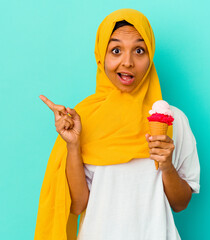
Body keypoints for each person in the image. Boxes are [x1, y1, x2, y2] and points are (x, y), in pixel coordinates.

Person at [34, 8, 200, 240]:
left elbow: (181, 203)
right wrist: (73, 145)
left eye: (139, 50)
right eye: (116, 50)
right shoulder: (83, 119)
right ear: (102, 58)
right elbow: (78, 204)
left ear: (150, 57)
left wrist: (166, 165)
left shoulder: (173, 121)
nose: (127, 62)